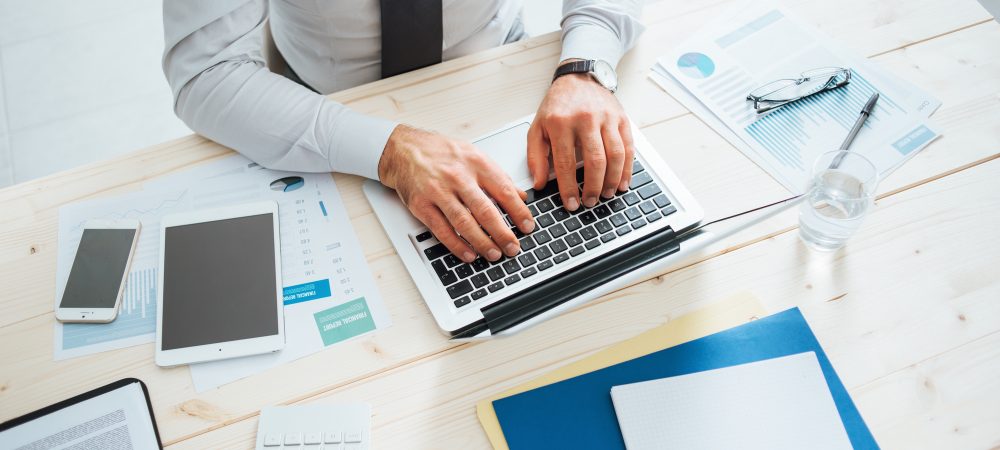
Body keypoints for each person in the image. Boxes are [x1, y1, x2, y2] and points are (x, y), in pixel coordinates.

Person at [162, 0, 643, 264]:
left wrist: (585, 64)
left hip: (501, 75)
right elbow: (206, 72)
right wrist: (387, 151)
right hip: (327, 113)